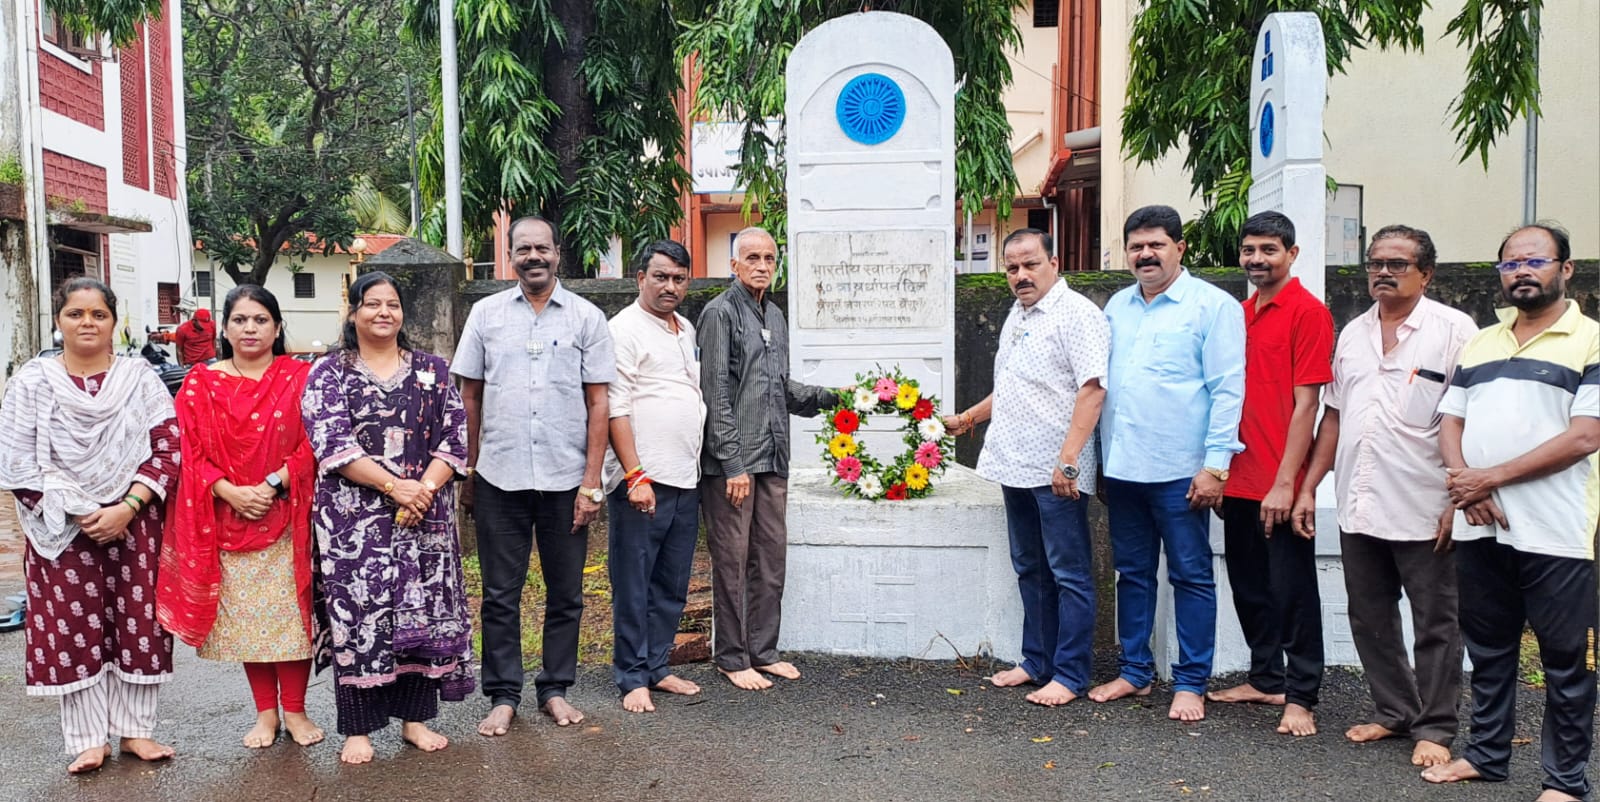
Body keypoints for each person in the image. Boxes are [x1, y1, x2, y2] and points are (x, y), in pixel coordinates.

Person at [1423, 222, 1599, 802]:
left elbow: (1585, 436)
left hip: (1557, 530)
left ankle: (1565, 781)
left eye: (1534, 261)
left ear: (1565, 269)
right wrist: (1466, 486)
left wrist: (1489, 478)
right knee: (1489, 649)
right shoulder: (1481, 342)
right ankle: (1486, 755)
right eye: (1510, 263)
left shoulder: (1590, 341)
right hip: (1480, 524)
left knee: (1566, 660)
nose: (1521, 272)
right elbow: (1451, 421)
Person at [1290, 224, 1475, 765]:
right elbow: (1333, 418)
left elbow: (1472, 420)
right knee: (1369, 616)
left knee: (1436, 623)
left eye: (1397, 264)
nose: (1384, 273)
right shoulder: (1353, 333)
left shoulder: (1454, 331)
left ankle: (1435, 727)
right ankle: (1395, 711)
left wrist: (1458, 500)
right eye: (1376, 263)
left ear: (1426, 273)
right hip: (1360, 500)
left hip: (1426, 503)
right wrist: (1309, 488)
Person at [0, 277, 180, 773]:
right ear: (58, 321)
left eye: (98, 314)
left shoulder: (139, 379)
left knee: (138, 622)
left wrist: (128, 506)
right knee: (73, 626)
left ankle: (137, 732)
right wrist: (81, 512)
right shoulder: (32, 384)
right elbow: (16, 463)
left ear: (114, 322)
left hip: (134, 522)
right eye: (75, 313)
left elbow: (168, 447)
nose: (87, 323)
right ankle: (88, 739)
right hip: (60, 529)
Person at [300, 271, 474, 764]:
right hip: (355, 525)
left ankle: (414, 721)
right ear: (353, 312)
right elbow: (332, 444)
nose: (383, 312)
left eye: (392, 304)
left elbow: (454, 439)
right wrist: (396, 488)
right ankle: (359, 728)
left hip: (424, 520)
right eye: (372, 303)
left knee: (421, 617)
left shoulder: (433, 370)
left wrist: (424, 491)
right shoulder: (329, 373)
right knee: (361, 619)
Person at [452, 216, 615, 734]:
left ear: (557, 253)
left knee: (566, 593)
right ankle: (503, 695)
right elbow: (469, 397)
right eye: (523, 249)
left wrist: (592, 483)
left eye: (541, 248)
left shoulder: (587, 318)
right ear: (510, 256)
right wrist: (469, 470)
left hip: (566, 481)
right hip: (499, 478)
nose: (533, 257)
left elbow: (599, 403)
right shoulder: (486, 314)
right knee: (500, 594)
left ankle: (555, 689)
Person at [1089, 205, 1245, 724]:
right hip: (1124, 469)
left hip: (1183, 470)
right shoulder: (1117, 306)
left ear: (1180, 248)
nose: (1146, 254)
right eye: (1136, 246)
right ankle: (1135, 670)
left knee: (1191, 576)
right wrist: (1101, 462)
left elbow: (1228, 391)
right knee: (1132, 574)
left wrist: (1215, 467)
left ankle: (1191, 682)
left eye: (1156, 244)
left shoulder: (1213, 307)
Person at [944, 228, 1108, 708]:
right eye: (1012, 267)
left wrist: (1069, 460)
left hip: (1056, 469)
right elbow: (1015, 386)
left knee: (1069, 573)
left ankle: (1070, 674)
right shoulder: (1018, 314)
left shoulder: (1078, 314)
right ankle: (1037, 661)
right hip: (1014, 463)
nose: (1021, 275)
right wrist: (968, 418)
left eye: (1030, 264)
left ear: (1054, 263)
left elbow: (1093, 389)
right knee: (1031, 568)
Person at [156, 284, 323, 749]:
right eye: (240, 320)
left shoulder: (300, 378)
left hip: (288, 514)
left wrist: (271, 486)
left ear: (277, 327)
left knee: (290, 620)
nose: (250, 328)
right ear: (225, 329)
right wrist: (229, 491)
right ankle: (265, 714)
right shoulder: (201, 384)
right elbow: (188, 449)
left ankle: (296, 710)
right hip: (226, 516)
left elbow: (315, 443)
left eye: (261, 320)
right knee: (251, 623)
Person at [1206, 212, 1333, 737]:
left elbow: (1308, 405)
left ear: (1292, 254)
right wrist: (1217, 470)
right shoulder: (1238, 315)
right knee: (1249, 585)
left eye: (1269, 250)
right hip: (1237, 475)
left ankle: (1301, 696)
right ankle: (1265, 679)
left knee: (1292, 590)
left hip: (1279, 481)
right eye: (1249, 250)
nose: (1257, 259)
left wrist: (1287, 483)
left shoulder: (1308, 312)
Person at [698, 226, 839, 691]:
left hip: (773, 458)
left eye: (769, 259)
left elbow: (779, 388)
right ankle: (732, 656)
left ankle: (763, 651)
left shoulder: (774, 315)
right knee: (732, 562)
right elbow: (715, 393)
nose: (761, 266)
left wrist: (833, 398)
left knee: (771, 558)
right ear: (734, 265)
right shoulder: (719, 313)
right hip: (733, 466)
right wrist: (732, 463)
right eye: (752, 258)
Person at [605, 240, 706, 713]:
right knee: (634, 581)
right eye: (661, 276)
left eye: (679, 279)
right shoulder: (623, 329)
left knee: (671, 582)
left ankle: (657, 666)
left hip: (685, 476)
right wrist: (634, 475)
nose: (670, 286)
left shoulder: (685, 328)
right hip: (643, 480)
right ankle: (631, 676)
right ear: (640, 278)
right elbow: (615, 406)